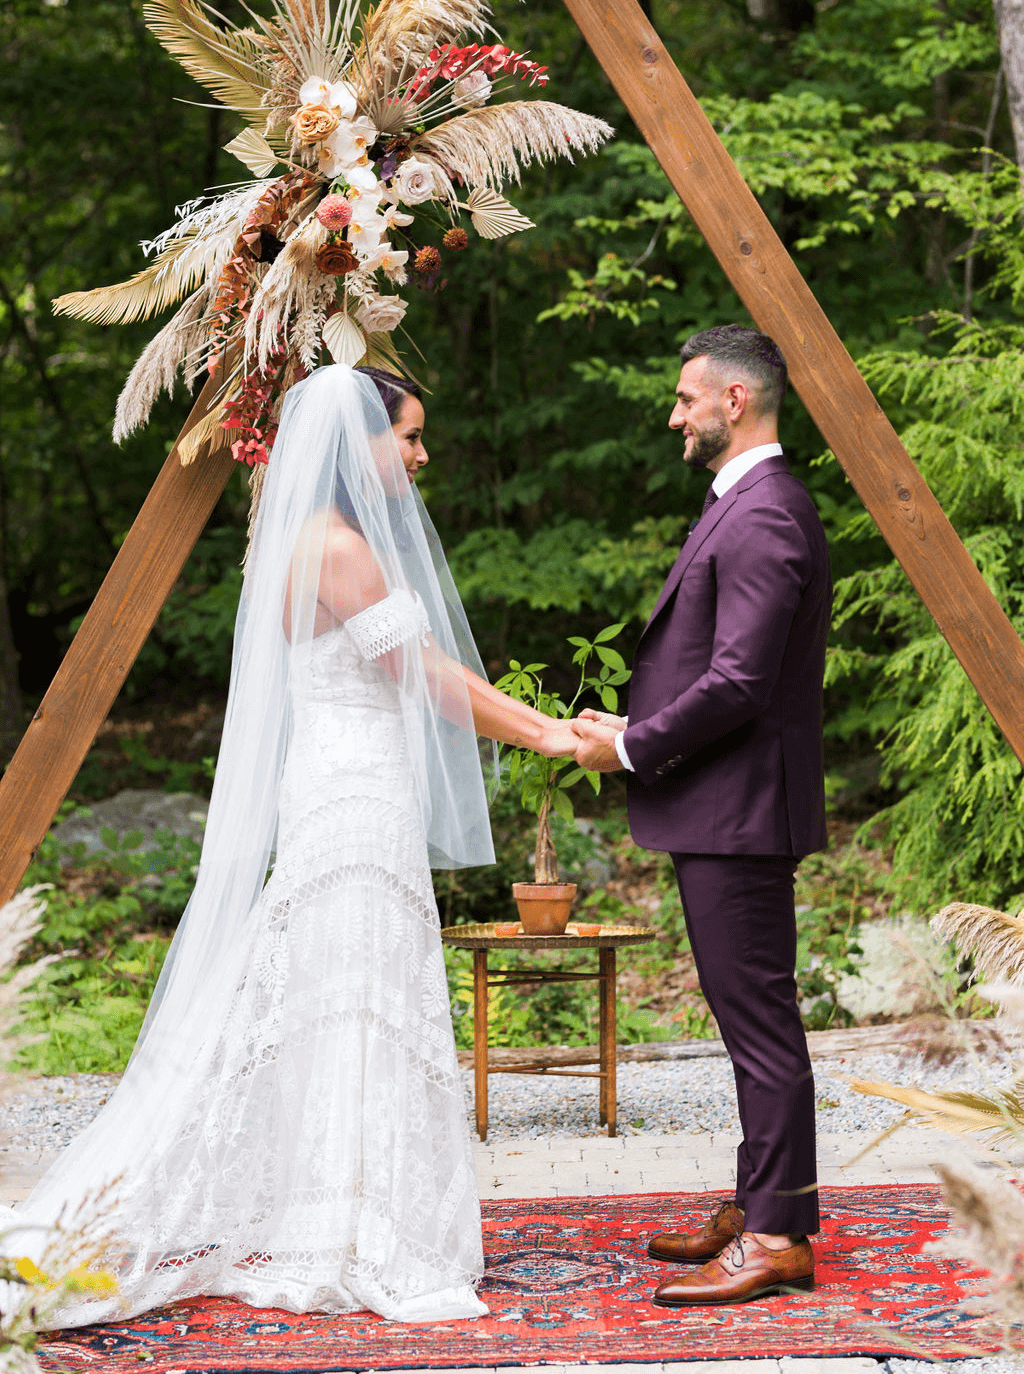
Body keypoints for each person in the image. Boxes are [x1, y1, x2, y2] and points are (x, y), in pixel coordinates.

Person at [3, 363, 576, 1327]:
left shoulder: (322, 539)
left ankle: (344, 1212)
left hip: (352, 788)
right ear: (361, 444)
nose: (424, 453)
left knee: (349, 998)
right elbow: (426, 675)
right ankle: (330, 1226)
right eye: (412, 436)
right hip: (351, 798)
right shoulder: (337, 547)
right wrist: (549, 731)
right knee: (348, 999)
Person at [572, 325, 831, 1308]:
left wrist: (632, 747)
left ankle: (777, 1236)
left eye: (686, 398)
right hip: (722, 807)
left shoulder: (764, 513)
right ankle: (758, 1202)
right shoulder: (744, 504)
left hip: (740, 811)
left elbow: (738, 683)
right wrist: (630, 722)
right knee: (744, 1018)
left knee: (759, 1023)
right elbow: (718, 670)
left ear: (734, 402)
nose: (672, 414)